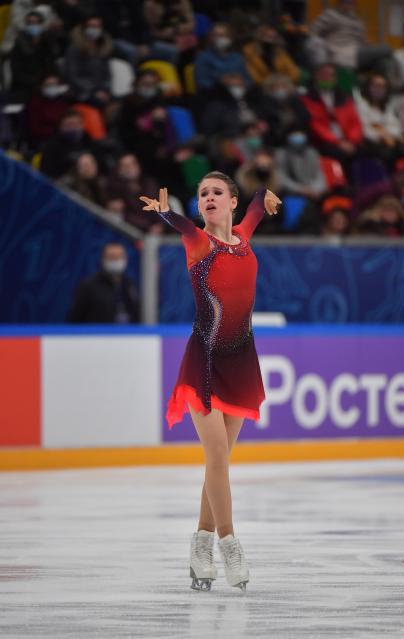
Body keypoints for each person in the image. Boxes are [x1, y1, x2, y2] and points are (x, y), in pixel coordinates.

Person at [139, 173, 281, 591]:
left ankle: (199, 543)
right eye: (203, 194)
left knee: (219, 461)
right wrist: (167, 213)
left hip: (240, 361)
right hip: (203, 362)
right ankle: (228, 544)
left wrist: (267, 197)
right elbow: (181, 225)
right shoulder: (198, 242)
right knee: (216, 456)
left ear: (230, 201)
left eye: (217, 192)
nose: (209, 198)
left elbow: (258, 201)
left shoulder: (243, 234)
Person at [68, 242, 139, 323]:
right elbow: (75, 318)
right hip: (98, 334)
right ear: (103, 259)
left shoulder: (129, 285)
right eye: (112, 257)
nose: (116, 260)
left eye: (119, 256)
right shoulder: (88, 286)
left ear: (125, 259)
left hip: (127, 334)